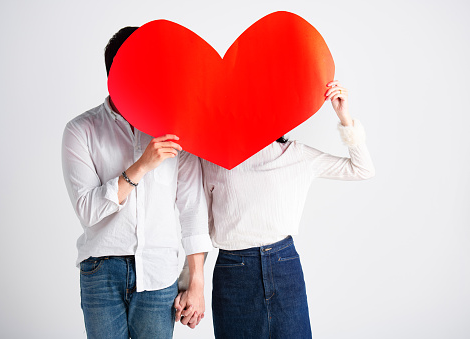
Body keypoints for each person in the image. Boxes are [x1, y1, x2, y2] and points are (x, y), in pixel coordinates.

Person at [176, 80, 375, 338]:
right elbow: (196, 219)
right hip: (232, 273)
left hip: (284, 268)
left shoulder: (297, 155)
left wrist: (344, 117)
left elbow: (362, 169)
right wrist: (189, 284)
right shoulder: (212, 158)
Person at [61, 26, 212, 339]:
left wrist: (196, 281)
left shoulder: (175, 126)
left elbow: (192, 208)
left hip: (159, 272)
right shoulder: (81, 130)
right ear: (114, 76)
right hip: (101, 271)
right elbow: (88, 212)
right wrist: (143, 165)